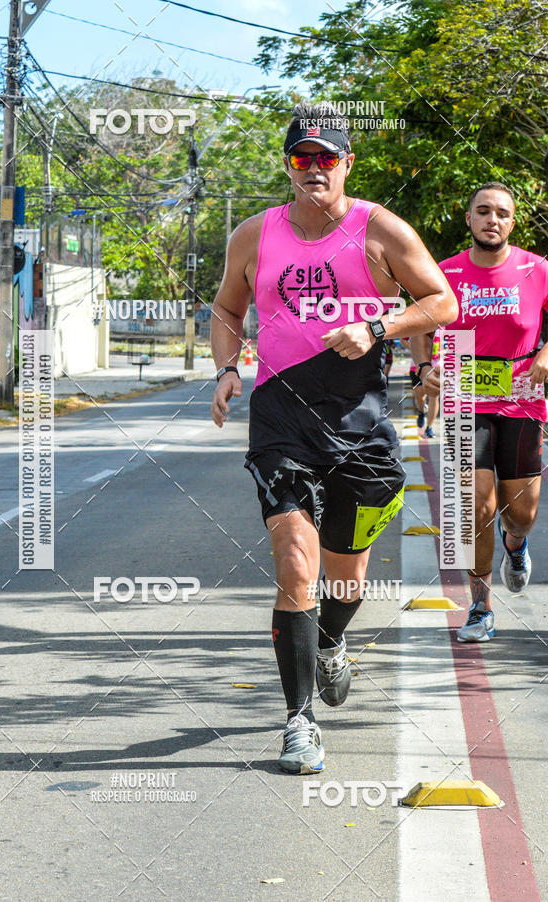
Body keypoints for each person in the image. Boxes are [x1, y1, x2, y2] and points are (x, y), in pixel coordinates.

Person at [210, 101, 458, 773]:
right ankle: (298, 722)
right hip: (282, 419)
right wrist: (227, 369)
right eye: (303, 157)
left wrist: (377, 327)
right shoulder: (254, 235)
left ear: (347, 162)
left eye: (327, 157)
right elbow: (228, 306)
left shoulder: (379, 228)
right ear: (288, 165)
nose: (314, 168)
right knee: (297, 563)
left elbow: (442, 300)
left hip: (360, 422)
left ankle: (329, 642)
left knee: (346, 581)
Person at [411, 182, 548, 642]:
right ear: (468, 218)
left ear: (513, 222)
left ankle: (516, 544)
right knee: (474, 506)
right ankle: (480, 607)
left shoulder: (537, 269)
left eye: (502, 213)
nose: (493, 219)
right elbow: (418, 325)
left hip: (522, 397)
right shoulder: (445, 272)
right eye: (483, 211)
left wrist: (546, 352)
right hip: (463, 394)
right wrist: (424, 368)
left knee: (521, 511)